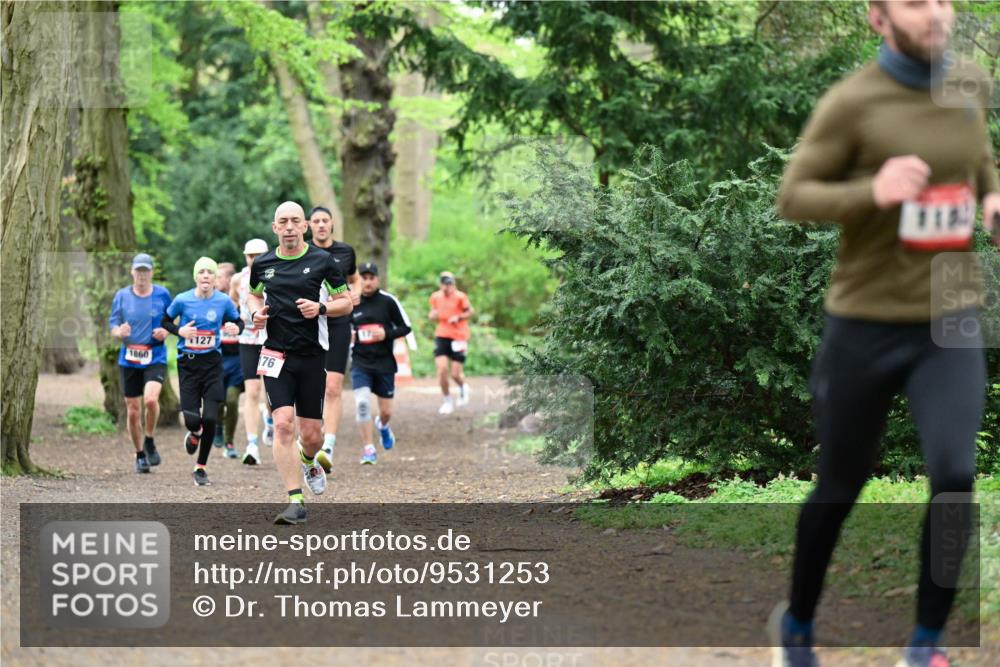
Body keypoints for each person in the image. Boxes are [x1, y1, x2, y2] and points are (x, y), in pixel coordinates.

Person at [771, 2, 1000, 666]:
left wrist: (991, 198)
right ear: (878, 18)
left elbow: (979, 160)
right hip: (865, 319)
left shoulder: (968, 82)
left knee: (955, 476)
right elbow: (794, 196)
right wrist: (875, 190)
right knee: (840, 484)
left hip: (950, 309)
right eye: (914, 3)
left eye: (941, 0)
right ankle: (797, 624)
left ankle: (926, 643)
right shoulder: (852, 102)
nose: (935, 14)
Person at [248, 201, 353, 525]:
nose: (290, 227)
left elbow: (346, 302)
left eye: (295, 221)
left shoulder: (322, 261)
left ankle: (309, 460)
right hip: (275, 354)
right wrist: (255, 312)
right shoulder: (263, 264)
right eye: (283, 222)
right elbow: (253, 294)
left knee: (312, 435)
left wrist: (321, 309)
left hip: (311, 356)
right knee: (282, 423)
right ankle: (295, 500)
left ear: (305, 226)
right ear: (275, 228)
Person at [162, 257, 243, 487]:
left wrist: (235, 327)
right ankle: (195, 432)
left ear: (215, 278)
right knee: (192, 420)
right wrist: (180, 331)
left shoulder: (223, 301)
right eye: (202, 272)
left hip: (212, 365)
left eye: (210, 272)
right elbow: (165, 321)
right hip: (187, 365)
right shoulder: (182, 299)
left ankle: (200, 467)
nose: (206, 275)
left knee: (210, 418)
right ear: (196, 277)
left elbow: (238, 322)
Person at [307, 205, 361, 473]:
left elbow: (355, 279)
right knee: (311, 385)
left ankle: (327, 446)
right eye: (316, 221)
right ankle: (310, 439)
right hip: (309, 324)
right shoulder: (303, 252)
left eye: (324, 220)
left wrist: (356, 292)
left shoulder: (345, 252)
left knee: (333, 387)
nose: (320, 225)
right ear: (309, 225)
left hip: (338, 322)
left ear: (331, 224)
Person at [108, 253, 172, 473]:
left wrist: (166, 330)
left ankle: (150, 439)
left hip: (155, 356)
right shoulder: (122, 296)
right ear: (132, 272)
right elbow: (113, 324)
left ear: (151, 272)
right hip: (129, 359)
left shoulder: (162, 294)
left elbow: (172, 320)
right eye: (138, 271)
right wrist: (119, 331)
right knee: (133, 410)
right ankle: (140, 454)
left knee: (151, 400)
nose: (142, 275)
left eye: (145, 271)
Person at [350, 262, 412, 465]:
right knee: (362, 403)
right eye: (364, 278)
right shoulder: (351, 301)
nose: (367, 282)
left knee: (386, 412)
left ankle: (383, 426)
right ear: (358, 279)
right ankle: (368, 449)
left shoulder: (388, 301)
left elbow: (406, 327)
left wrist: (386, 333)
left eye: (371, 278)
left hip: (384, 362)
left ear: (377, 279)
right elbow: (340, 327)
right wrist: (349, 335)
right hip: (360, 362)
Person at [232, 238, 271, 466]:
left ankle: (270, 420)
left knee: (271, 390)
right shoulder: (238, 279)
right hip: (247, 339)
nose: (254, 260)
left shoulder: (275, 274)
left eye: (258, 255)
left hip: (270, 338)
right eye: (250, 256)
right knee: (252, 390)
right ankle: (252, 444)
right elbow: (233, 301)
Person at [428, 270, 474, 415]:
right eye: (444, 284)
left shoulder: (461, 297)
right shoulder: (435, 297)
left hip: (459, 336)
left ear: (453, 284)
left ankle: (463, 387)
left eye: (449, 284)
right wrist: (432, 315)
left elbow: (470, 311)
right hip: (442, 335)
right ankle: (447, 400)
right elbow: (432, 313)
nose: (447, 287)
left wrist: (458, 317)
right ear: (440, 284)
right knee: (442, 369)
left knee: (455, 374)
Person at [214, 262, 244, 460]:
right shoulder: (211, 302)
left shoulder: (242, 303)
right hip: (217, 360)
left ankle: (229, 441)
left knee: (231, 400)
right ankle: (217, 426)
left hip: (238, 361)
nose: (215, 280)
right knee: (218, 401)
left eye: (219, 276)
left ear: (230, 279)